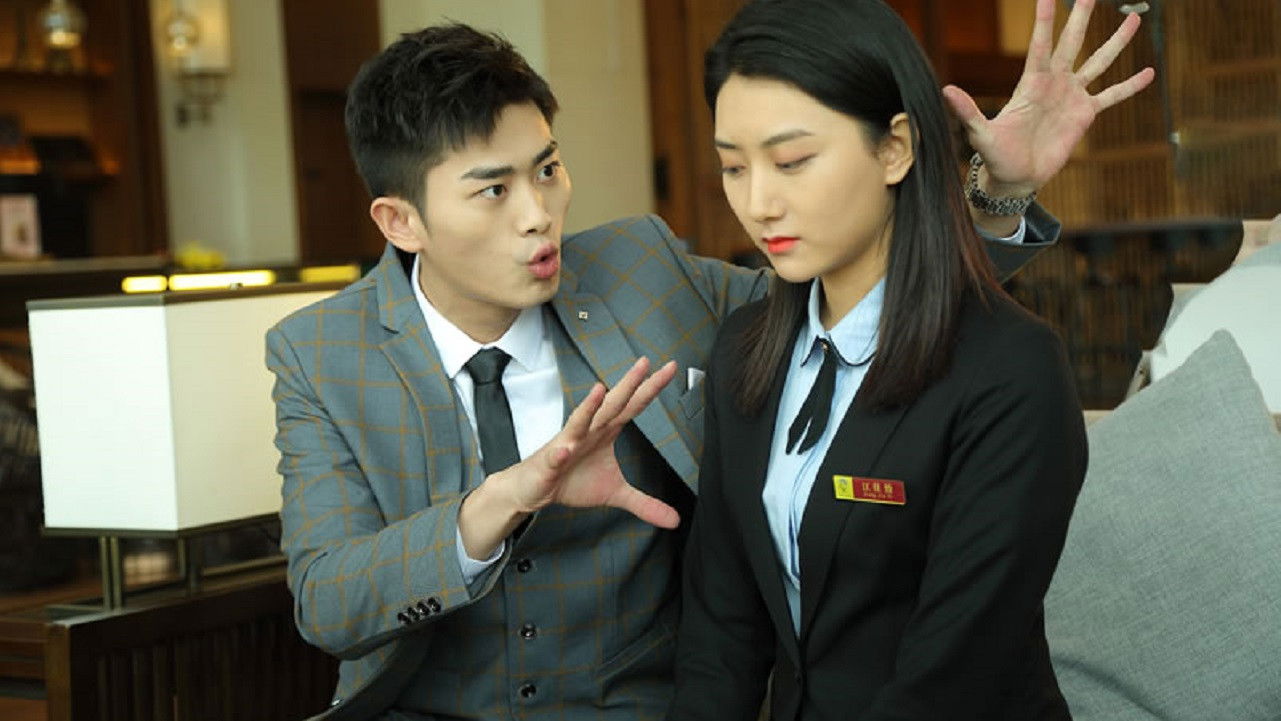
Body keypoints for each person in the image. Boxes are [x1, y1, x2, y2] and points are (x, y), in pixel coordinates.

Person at [266, 4, 1150, 718]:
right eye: (493, 190)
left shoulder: (642, 273)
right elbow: (328, 603)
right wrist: (503, 500)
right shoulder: (320, 354)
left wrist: (996, 194)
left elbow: (859, 308)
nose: (538, 214)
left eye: (547, 170)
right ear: (400, 221)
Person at [667, 0, 1151, 719]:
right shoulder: (746, 351)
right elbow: (721, 637)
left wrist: (998, 191)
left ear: (895, 148)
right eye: (733, 167)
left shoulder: (1011, 371)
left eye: (792, 161)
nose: (759, 202)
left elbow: (951, 677)